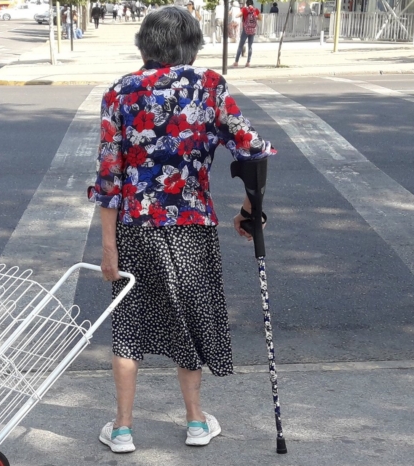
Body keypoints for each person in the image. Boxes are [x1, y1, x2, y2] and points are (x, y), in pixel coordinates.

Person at [88, 4, 276, 454]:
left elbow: (109, 177)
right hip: (192, 226)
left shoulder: (121, 92)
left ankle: (123, 428)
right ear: (192, 45)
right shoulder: (210, 86)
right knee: (189, 322)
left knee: (129, 324)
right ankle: (195, 423)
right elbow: (253, 150)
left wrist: (108, 248)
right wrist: (251, 210)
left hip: (136, 227)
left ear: (144, 43)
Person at [233, 0, 259, 67]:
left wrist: (242, 15)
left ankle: (236, 62)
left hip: (245, 30)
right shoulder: (256, 10)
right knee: (250, 46)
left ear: (246, 4)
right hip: (252, 30)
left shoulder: (244, 9)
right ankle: (248, 62)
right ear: (253, 4)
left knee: (240, 46)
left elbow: (237, 15)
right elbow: (260, 18)